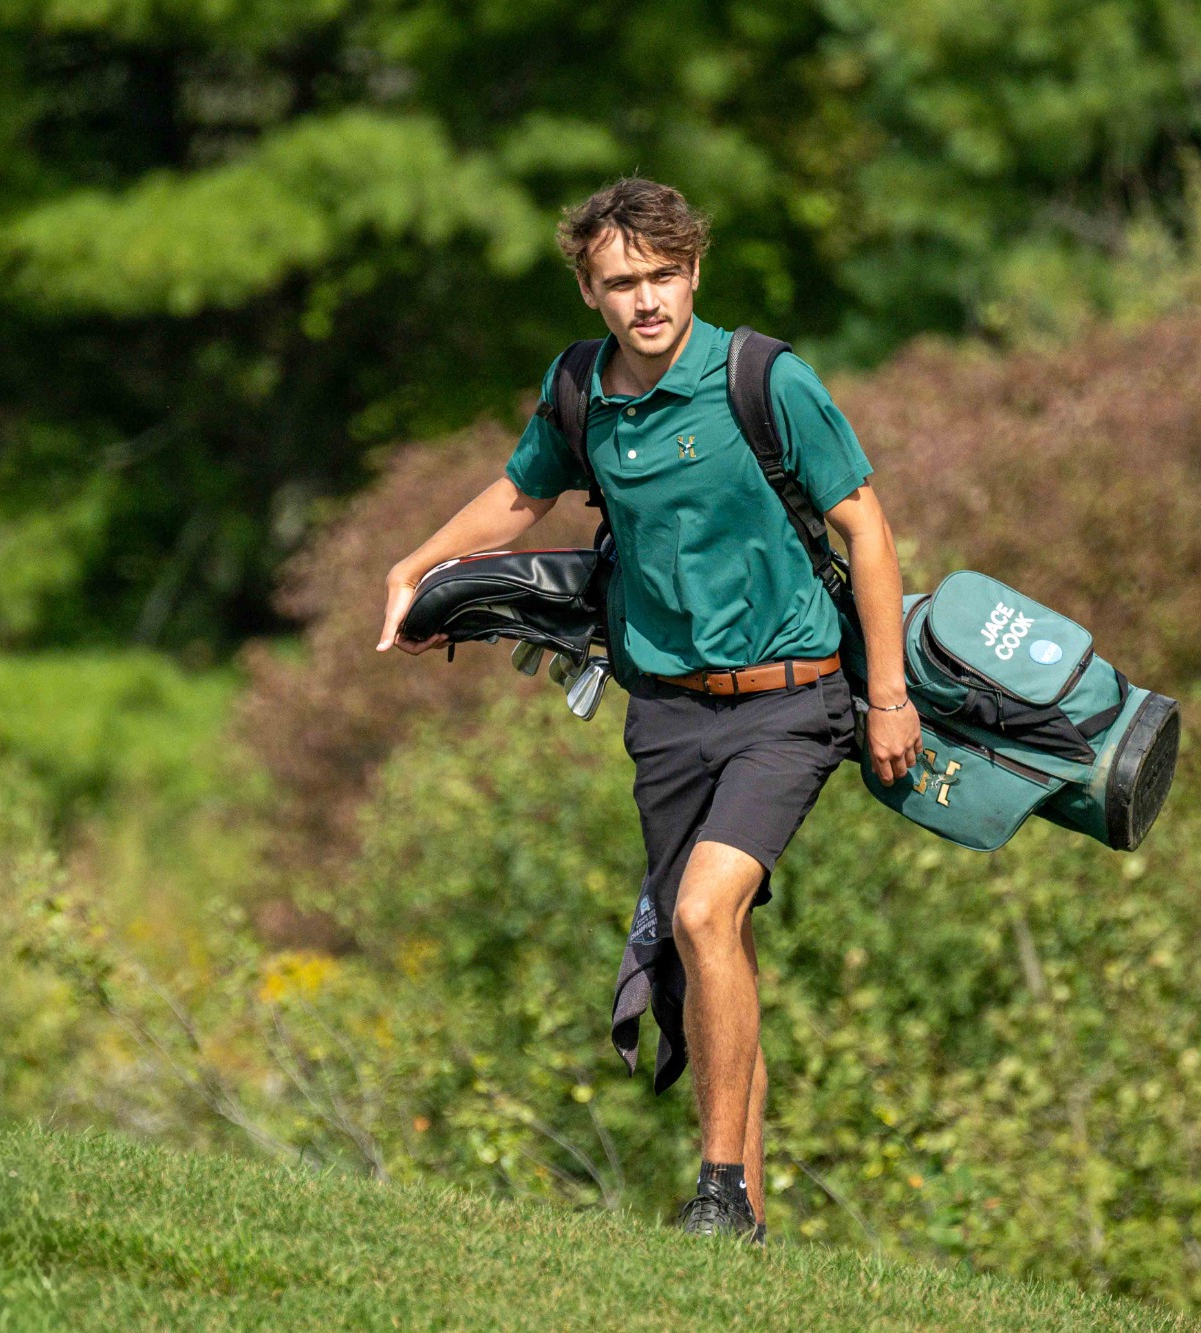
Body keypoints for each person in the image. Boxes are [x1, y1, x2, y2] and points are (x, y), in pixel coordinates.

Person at [373, 177, 922, 1242]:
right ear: (589, 290)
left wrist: (888, 696)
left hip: (789, 699)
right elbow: (520, 494)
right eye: (621, 282)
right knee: (711, 947)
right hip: (663, 714)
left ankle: (714, 1195)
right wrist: (417, 564)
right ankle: (743, 1222)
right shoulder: (579, 388)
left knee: (703, 912)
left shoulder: (763, 379)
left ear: (694, 272)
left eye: (664, 275)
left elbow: (867, 529)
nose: (647, 300)